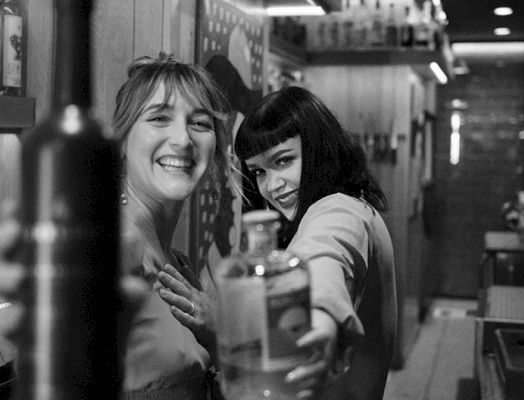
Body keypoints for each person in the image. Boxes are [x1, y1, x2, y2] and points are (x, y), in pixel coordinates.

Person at [0, 54, 341, 400]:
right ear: (121, 140)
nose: (182, 139)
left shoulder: (178, 263)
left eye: (200, 123)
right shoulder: (103, 252)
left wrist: (221, 339)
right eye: (160, 118)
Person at [234, 85, 398, 400]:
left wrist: (315, 318)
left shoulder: (339, 209)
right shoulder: (353, 204)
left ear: (317, 149)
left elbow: (323, 255)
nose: (272, 185)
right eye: (259, 172)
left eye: (283, 161)